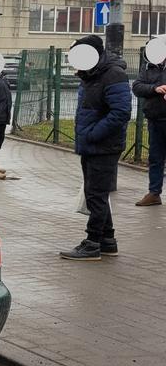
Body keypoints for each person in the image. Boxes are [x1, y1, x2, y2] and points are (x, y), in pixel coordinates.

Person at [61, 35, 130, 261]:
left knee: (96, 195)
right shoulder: (90, 74)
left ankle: (92, 244)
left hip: (103, 145)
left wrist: (92, 134)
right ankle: (107, 241)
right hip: (92, 144)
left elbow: (120, 112)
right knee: (96, 194)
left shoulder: (112, 75)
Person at [131, 38, 166, 206]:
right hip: (155, 118)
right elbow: (137, 87)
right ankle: (154, 193)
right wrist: (154, 89)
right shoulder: (148, 67)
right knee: (156, 157)